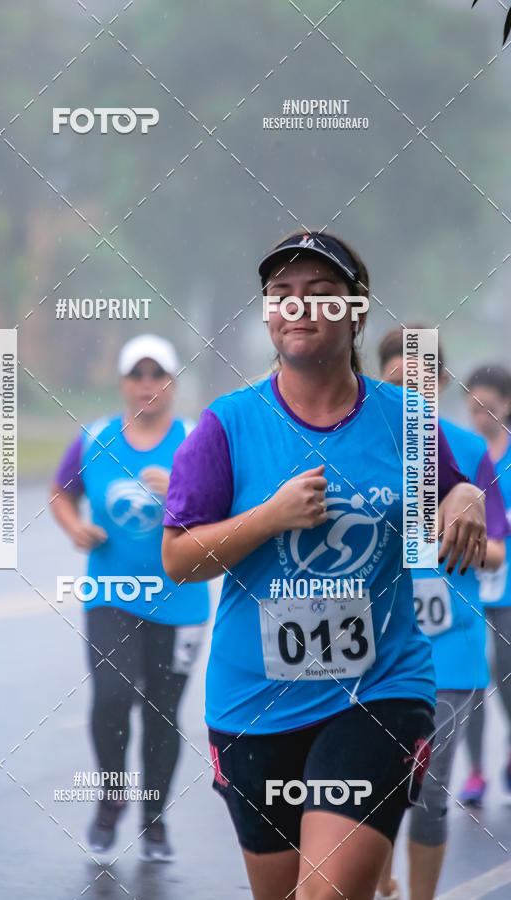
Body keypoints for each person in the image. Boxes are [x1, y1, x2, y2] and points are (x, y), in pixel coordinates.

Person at [161, 230, 487, 900]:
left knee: (326, 895)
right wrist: (270, 516)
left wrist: (467, 493)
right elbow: (179, 560)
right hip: (255, 701)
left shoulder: (407, 420)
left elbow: (448, 485)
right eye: (281, 295)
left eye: (319, 294)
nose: (297, 307)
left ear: (356, 312)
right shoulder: (224, 426)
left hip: (379, 690)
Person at [50, 334, 210, 862]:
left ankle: (154, 819)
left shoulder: (195, 439)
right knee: (113, 699)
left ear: (172, 383)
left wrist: (182, 488)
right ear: (122, 383)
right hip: (110, 593)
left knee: (162, 712)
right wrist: (75, 528)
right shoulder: (95, 437)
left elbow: (227, 509)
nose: (147, 385)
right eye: (136, 375)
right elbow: (61, 492)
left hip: (181, 597)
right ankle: (112, 796)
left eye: (157, 374)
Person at [375, 330, 507, 900]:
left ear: (440, 386)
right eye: (399, 381)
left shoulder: (469, 451)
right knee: (372, 787)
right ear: (376, 380)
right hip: (370, 647)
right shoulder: (355, 446)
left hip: (447, 649)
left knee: (428, 791)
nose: (412, 392)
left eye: (423, 382)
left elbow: (499, 547)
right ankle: (372, 874)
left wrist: (454, 536)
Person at [459, 365, 511, 806]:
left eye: (488, 407)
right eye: (473, 407)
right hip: (470, 578)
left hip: (508, 583)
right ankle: (475, 770)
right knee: (473, 674)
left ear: (507, 405)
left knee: (506, 672)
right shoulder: (463, 453)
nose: (479, 416)